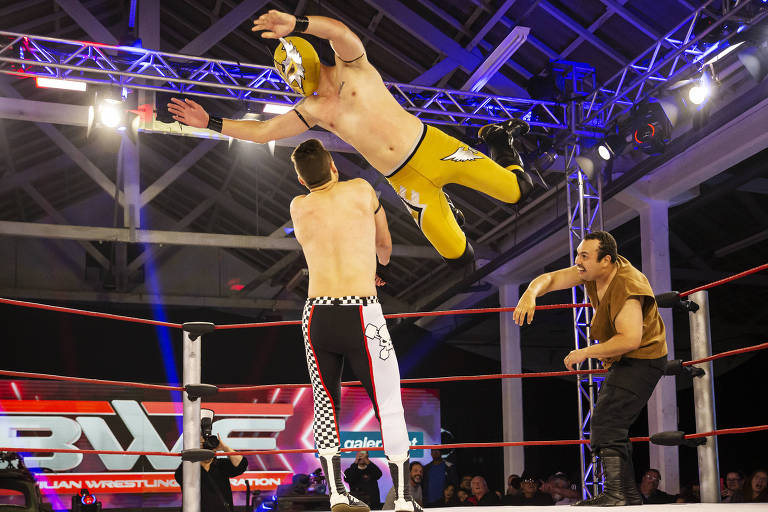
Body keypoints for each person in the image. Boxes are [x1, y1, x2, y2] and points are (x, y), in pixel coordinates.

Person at [167, 9, 539, 271]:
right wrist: (211, 122)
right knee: (461, 260)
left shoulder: (352, 66)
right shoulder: (312, 110)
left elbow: (340, 32)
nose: (293, 76)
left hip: (433, 149)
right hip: (405, 181)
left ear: (308, 53)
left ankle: (499, 139)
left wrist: (297, 22)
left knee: (518, 192)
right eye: (286, 72)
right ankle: (450, 211)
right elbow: (264, 132)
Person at [283, 139, 418, 512]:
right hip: (362, 311)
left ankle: (337, 494)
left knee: (326, 406)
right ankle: (405, 499)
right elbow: (385, 246)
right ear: (334, 168)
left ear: (300, 178)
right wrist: (378, 271)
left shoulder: (298, 206)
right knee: (389, 403)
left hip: (317, 314)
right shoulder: (361, 190)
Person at [514, 230, 669, 507]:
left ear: (606, 260)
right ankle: (628, 496)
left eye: (584, 256)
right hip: (627, 359)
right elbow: (551, 279)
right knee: (612, 423)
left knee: (606, 422)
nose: (578, 261)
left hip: (643, 358)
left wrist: (584, 352)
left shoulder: (627, 284)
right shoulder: (590, 271)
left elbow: (630, 339)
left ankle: (617, 493)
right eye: (578, 254)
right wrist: (529, 293)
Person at [174, 434, 247, 512]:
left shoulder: (220, 465)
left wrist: (224, 447)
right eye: (202, 447)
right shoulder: (188, 468)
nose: (206, 452)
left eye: (209, 447)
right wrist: (194, 452)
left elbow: (241, 465)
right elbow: (179, 476)